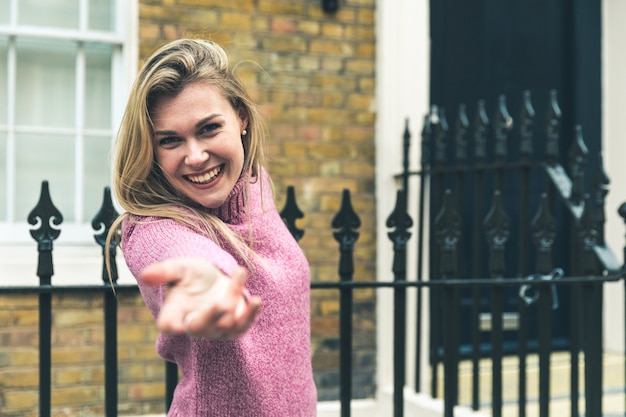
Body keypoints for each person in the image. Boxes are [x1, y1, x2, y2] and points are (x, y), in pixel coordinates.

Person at [106, 38, 317, 416]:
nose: (196, 156)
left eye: (208, 129)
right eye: (170, 140)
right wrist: (211, 284)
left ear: (242, 118)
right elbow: (187, 258)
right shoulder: (152, 226)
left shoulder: (255, 185)